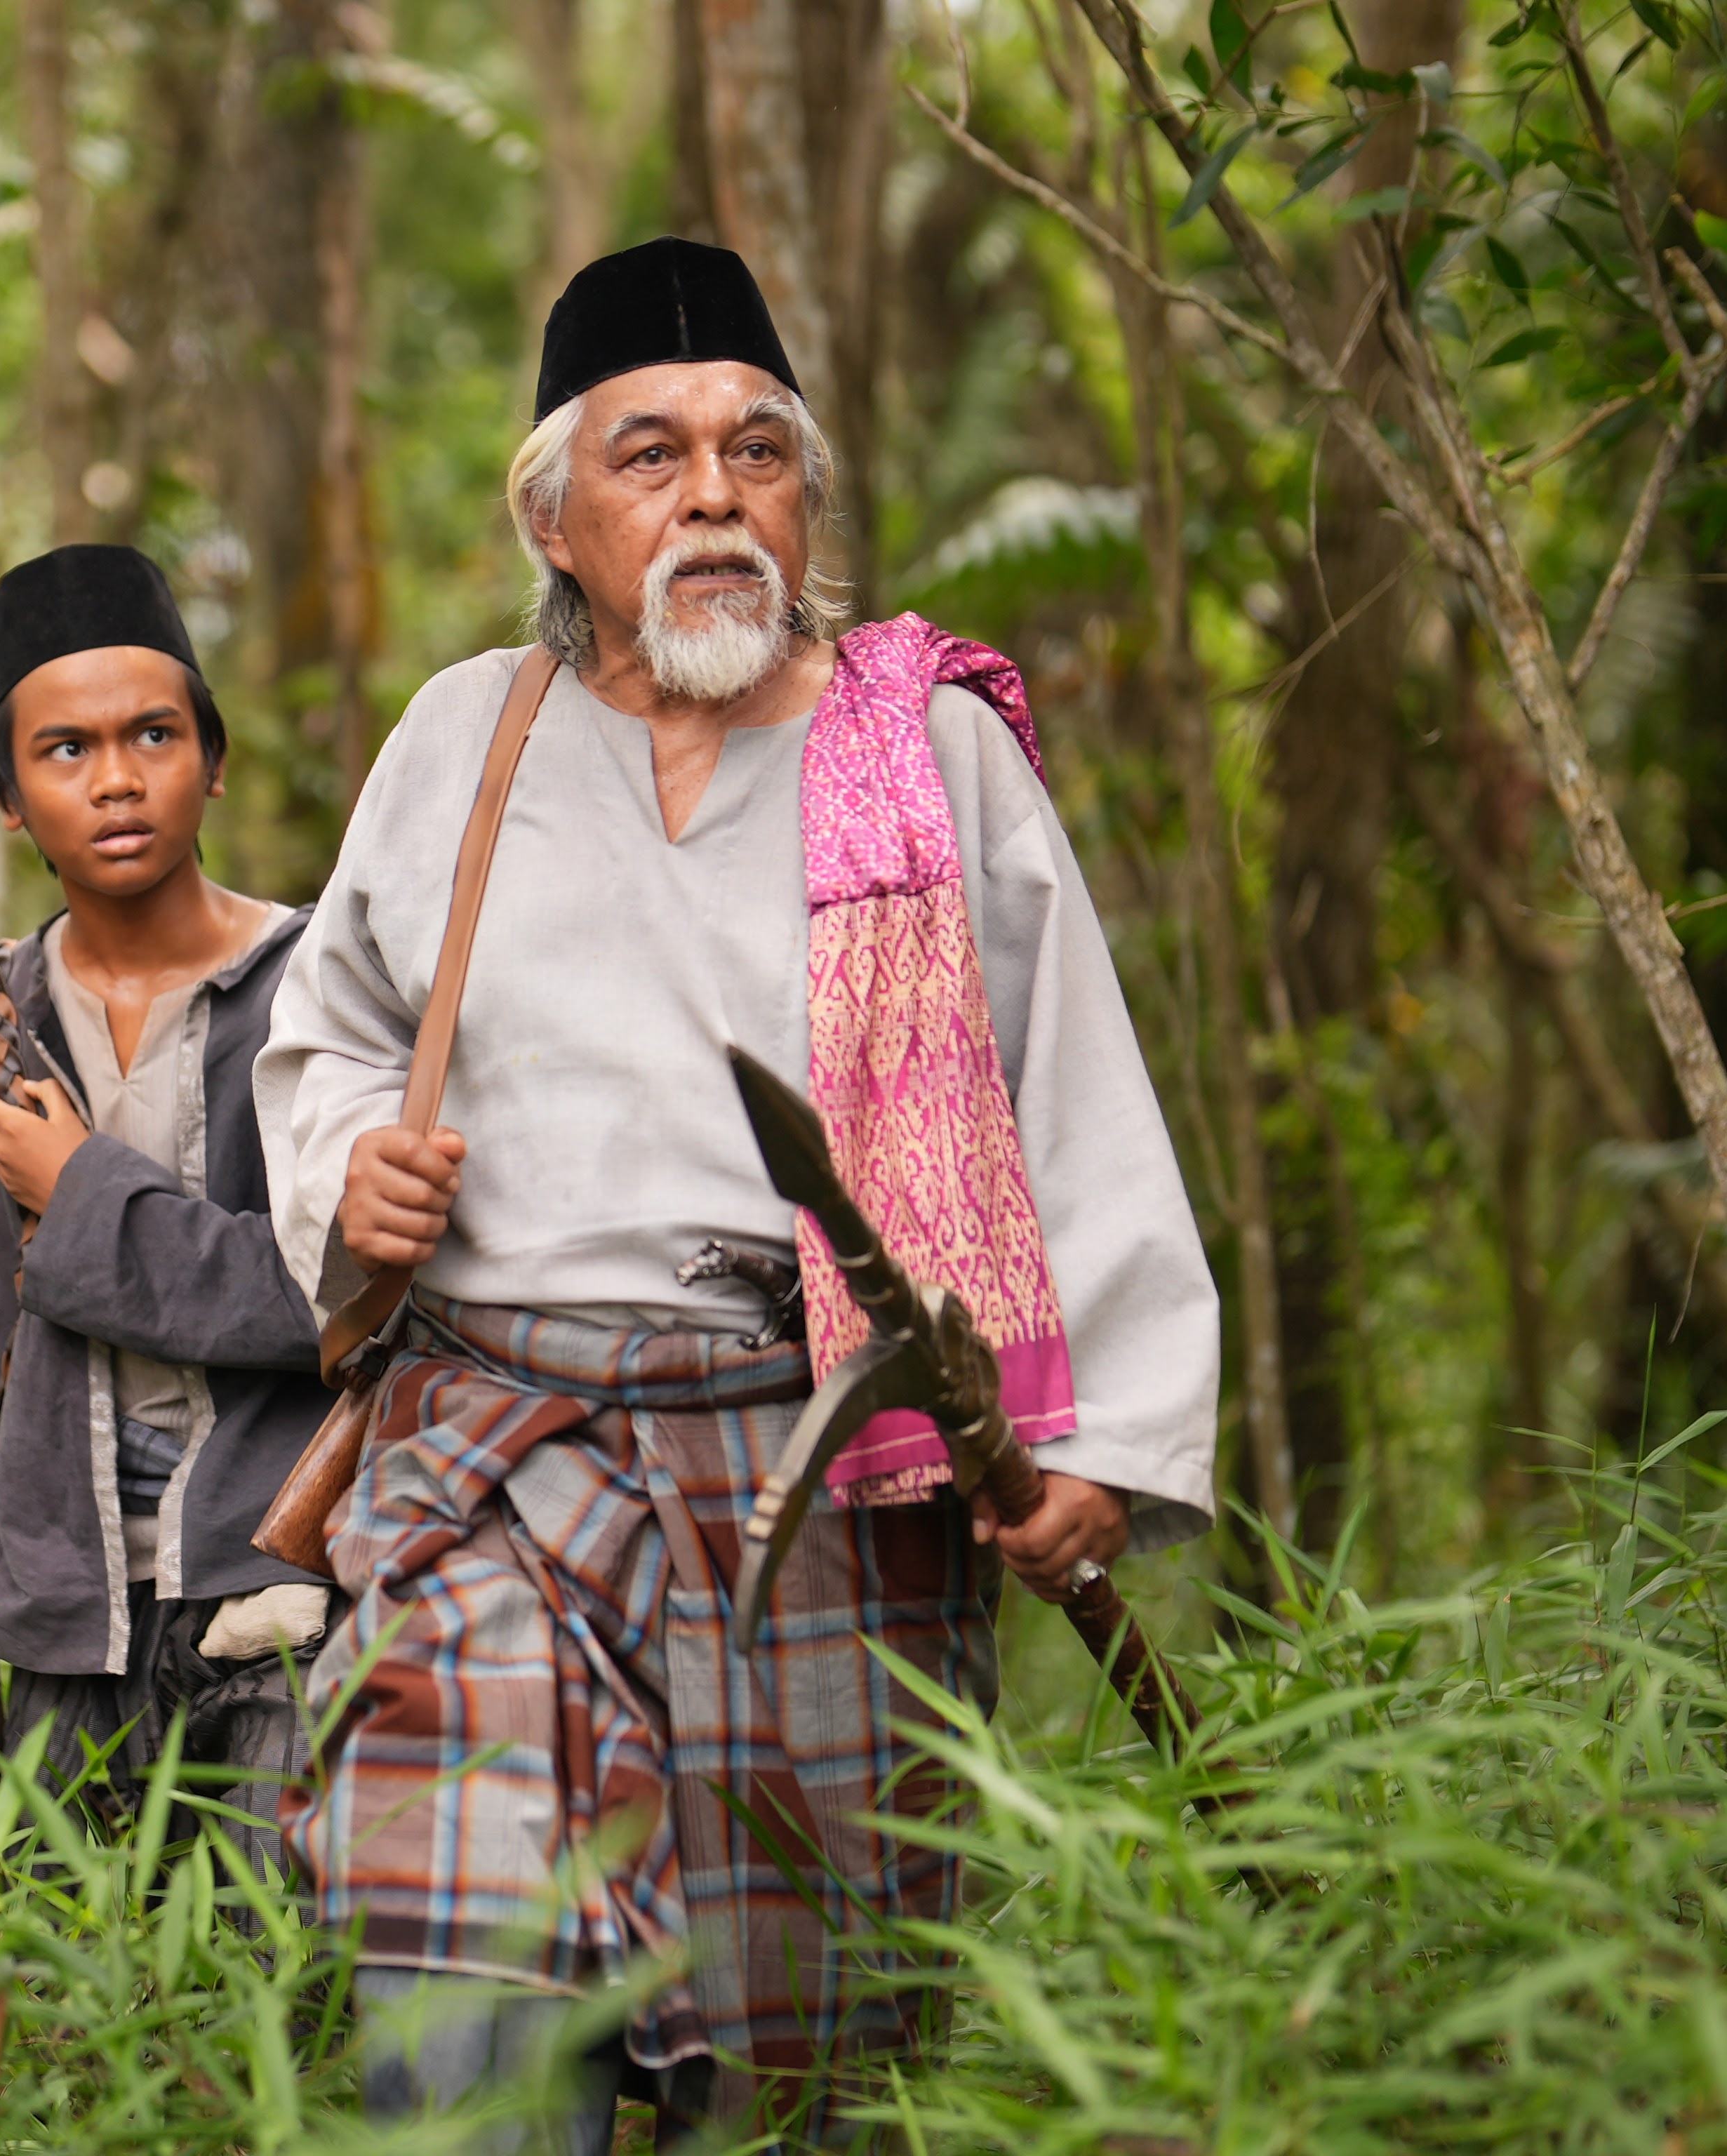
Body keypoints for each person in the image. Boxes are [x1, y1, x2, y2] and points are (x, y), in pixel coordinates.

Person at [255, 238, 1220, 2142]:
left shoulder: (922, 747)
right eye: (651, 455)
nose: (713, 495)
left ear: (806, 495)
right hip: (494, 1455)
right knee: (463, 1954)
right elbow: (333, 1034)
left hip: (827, 1463)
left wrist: (1103, 1434)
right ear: (555, 514)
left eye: (757, 451)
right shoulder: (469, 733)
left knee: (794, 2052)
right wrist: (347, 1169)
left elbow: (1073, 1087)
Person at [0, 543, 336, 1848]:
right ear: (10, 796)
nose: (116, 779)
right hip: (66, 1595)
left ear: (213, 758)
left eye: (154, 735)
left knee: (278, 1969)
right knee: (83, 1985)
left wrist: (84, 1197)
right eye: (64, 750)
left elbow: (333, 1298)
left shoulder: (319, 994)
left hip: (280, 1580)